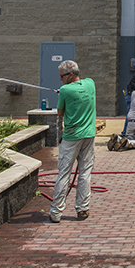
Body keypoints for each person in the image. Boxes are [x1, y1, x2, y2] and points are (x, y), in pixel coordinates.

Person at [49, 60, 96, 223]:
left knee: (63, 174)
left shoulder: (64, 90)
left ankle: (56, 213)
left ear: (70, 75)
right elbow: (80, 87)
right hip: (89, 136)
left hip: (71, 138)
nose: (60, 79)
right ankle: (82, 209)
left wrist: (62, 93)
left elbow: (60, 113)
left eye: (62, 76)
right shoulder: (90, 84)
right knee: (85, 173)